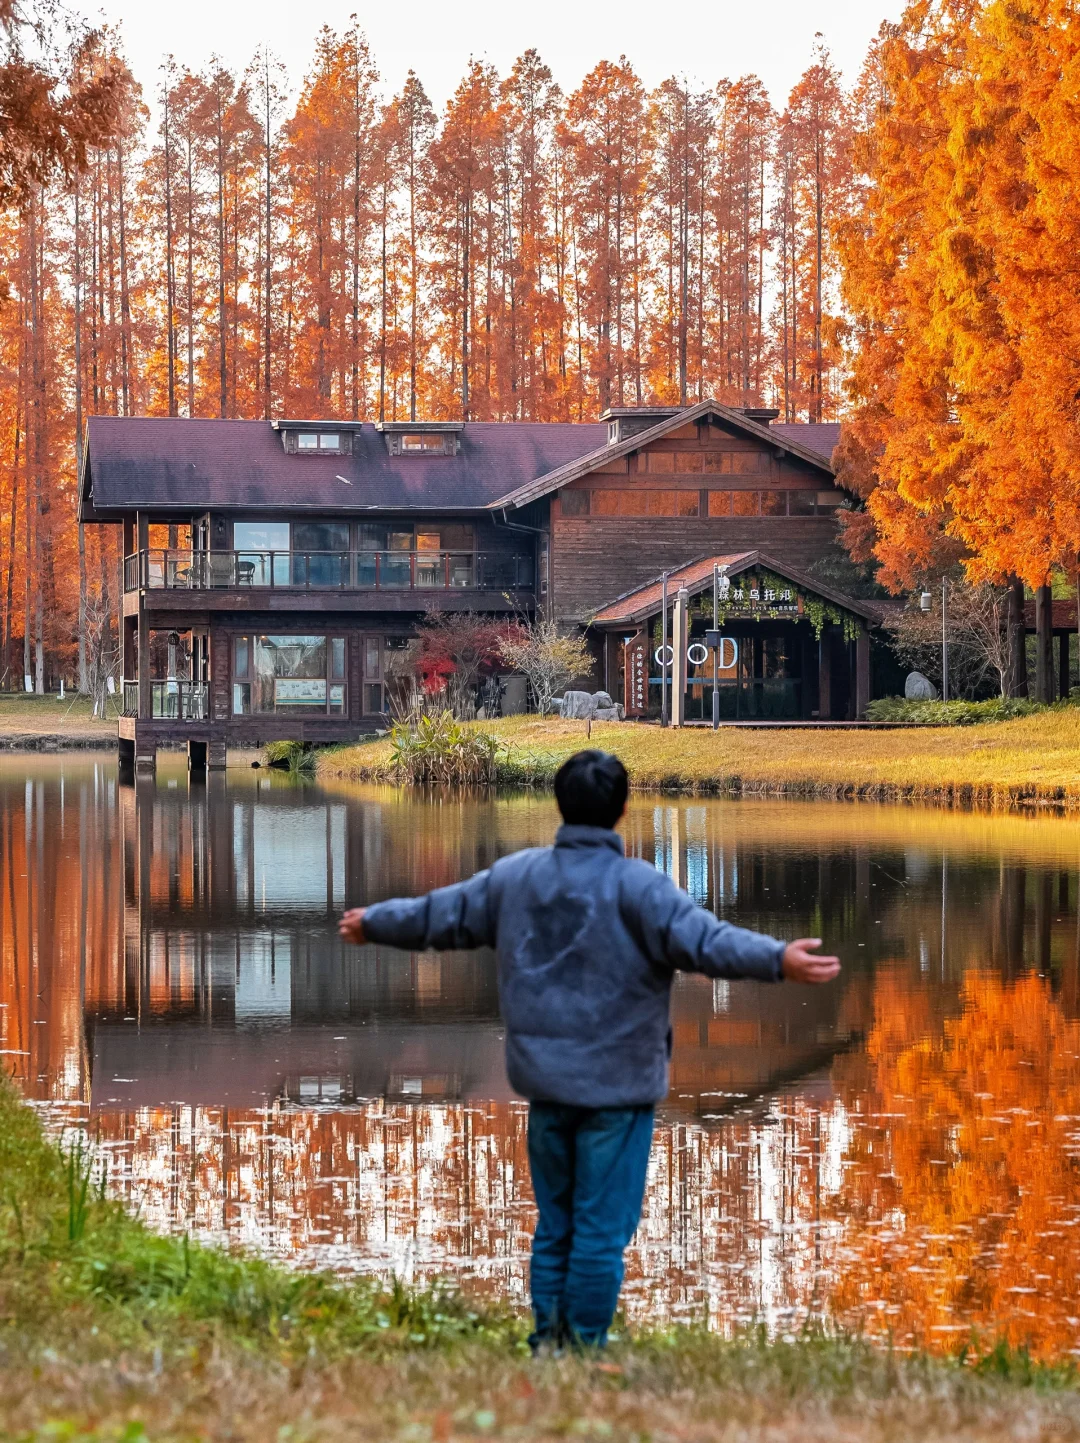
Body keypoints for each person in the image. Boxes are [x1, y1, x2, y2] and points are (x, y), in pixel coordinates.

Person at [339, 749, 840, 1351]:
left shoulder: (517, 878)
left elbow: (438, 916)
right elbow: (708, 943)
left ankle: (549, 1341)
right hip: (619, 1090)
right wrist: (778, 960)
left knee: (557, 1224)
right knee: (601, 1229)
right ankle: (583, 1345)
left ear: (559, 805)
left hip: (547, 1084)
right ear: (623, 809)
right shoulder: (641, 888)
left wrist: (375, 921)